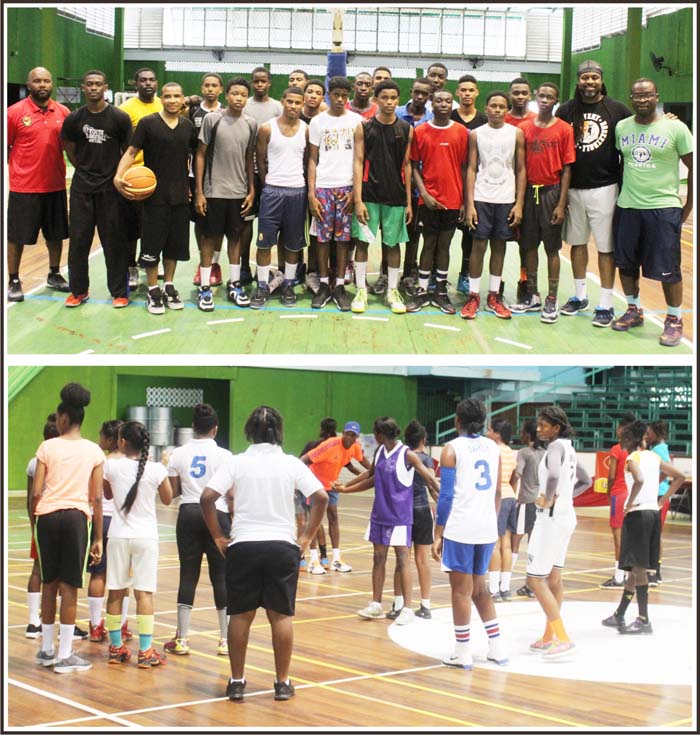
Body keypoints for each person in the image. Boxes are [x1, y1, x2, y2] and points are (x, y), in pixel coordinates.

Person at [200, 406, 328, 702]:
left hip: (243, 545)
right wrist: (307, 536)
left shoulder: (237, 462)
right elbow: (320, 497)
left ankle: (236, 682)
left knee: (240, 617)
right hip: (282, 546)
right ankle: (282, 683)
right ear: (278, 432)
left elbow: (207, 498)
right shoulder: (291, 463)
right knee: (280, 617)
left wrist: (218, 535)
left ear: (249, 432)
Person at [611, 78, 693, 347]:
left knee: (668, 270)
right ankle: (633, 310)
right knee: (626, 264)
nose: (642, 100)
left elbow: (693, 167)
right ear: (631, 98)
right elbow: (620, 165)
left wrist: (688, 206)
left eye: (647, 95)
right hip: (628, 207)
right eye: (637, 96)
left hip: (663, 208)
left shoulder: (676, 127)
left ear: (656, 96)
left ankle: (674, 319)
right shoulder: (622, 127)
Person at [335, 417, 439, 625]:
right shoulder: (380, 452)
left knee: (403, 560)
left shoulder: (407, 454)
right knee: (378, 559)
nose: (373, 436)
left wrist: (446, 501)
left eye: (374, 433)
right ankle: (376, 604)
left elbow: (429, 479)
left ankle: (407, 609)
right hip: (379, 515)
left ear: (381, 434)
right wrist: (346, 488)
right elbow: (371, 477)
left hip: (400, 516)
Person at [30, 383, 104, 673]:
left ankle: (46, 649)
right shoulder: (94, 451)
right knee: (69, 586)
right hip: (75, 518)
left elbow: (36, 491)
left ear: (62, 418)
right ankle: (64, 655)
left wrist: (38, 521)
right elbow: (96, 497)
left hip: (47, 517)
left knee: (49, 583)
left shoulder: (47, 447)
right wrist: (98, 536)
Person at [431, 398, 508, 670]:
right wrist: (490, 521)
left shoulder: (451, 449)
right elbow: (498, 493)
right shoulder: (492, 447)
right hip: (486, 528)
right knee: (481, 590)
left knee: (461, 593)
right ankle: (497, 648)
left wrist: (438, 532)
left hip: (461, 528)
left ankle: (462, 653)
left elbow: (446, 495)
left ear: (457, 420)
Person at [555, 61, 633, 327]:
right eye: (585, 78)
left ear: (601, 80)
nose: (590, 82)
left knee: (605, 247)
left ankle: (606, 303)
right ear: (578, 81)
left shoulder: (618, 109)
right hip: (574, 188)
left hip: (606, 187)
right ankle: (579, 296)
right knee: (577, 244)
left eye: (594, 77)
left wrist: (665, 118)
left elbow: (637, 131)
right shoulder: (565, 110)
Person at [114, 82, 198, 315]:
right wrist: (118, 176)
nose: (172, 100)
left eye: (176, 96)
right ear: (162, 98)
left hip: (180, 197)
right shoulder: (148, 123)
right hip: (153, 198)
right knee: (152, 247)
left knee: (174, 248)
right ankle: (153, 289)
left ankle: (168, 285)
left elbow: (195, 157)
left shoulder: (188, 126)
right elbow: (131, 152)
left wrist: (194, 188)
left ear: (183, 99)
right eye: (168, 96)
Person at [601, 419, 684, 634]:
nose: (621, 443)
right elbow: (680, 477)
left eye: (623, 439)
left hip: (638, 514)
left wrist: (629, 503)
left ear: (631, 439)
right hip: (653, 513)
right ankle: (620, 613)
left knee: (637, 569)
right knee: (634, 567)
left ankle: (644, 619)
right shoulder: (654, 456)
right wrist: (662, 500)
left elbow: (638, 479)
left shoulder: (632, 457)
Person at [164, 404, 232, 656]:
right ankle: (225, 640)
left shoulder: (178, 454)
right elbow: (231, 493)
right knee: (221, 577)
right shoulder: (226, 456)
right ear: (215, 429)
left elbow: (174, 493)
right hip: (218, 513)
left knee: (188, 575)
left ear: (193, 427)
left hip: (189, 513)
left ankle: (182, 639)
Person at [103, 421, 173, 668]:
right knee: (144, 593)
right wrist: (161, 469)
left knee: (116, 591)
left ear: (122, 442)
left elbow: (108, 495)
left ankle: (115, 648)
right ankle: (145, 652)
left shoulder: (110, 466)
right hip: (146, 537)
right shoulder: (155, 469)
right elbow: (167, 499)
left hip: (118, 535)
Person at [60, 70, 132, 309]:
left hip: (110, 190)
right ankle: (79, 291)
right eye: (89, 84)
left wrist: (116, 175)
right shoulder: (74, 118)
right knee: (79, 241)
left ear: (105, 87)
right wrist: (83, 168)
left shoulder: (119, 118)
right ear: (83, 88)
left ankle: (119, 292)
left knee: (114, 242)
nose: (93, 88)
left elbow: (128, 151)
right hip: (82, 189)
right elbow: (69, 147)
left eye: (98, 84)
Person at [526, 406, 591, 658]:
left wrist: (550, 498)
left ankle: (562, 637)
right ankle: (549, 636)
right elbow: (585, 480)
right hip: (566, 517)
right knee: (554, 579)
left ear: (557, 427)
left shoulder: (554, 448)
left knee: (534, 580)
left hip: (550, 520)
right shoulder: (570, 448)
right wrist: (565, 499)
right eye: (538, 424)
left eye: (544, 425)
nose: (539, 428)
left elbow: (553, 474)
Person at [510, 83, 575, 323]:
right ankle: (533, 295)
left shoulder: (564, 129)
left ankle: (551, 299)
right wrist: (518, 200)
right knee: (528, 246)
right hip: (528, 194)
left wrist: (561, 202)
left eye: (550, 97)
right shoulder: (524, 128)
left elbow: (567, 168)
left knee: (551, 249)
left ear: (556, 101)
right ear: (536, 98)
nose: (545, 100)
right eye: (542, 96)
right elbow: (521, 167)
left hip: (551, 192)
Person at [7, 66, 71, 302]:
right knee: (16, 236)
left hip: (55, 184)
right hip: (24, 187)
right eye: (37, 81)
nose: (42, 85)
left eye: (46, 81)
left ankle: (54, 274)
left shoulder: (62, 111)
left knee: (55, 234)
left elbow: (70, 147)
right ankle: (14, 279)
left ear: (51, 83)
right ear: (29, 84)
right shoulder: (14, 113)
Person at [460, 90, 526, 321]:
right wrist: (469, 204)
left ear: (507, 110)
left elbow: (520, 169)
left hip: (506, 199)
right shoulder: (476, 134)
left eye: (501, 106)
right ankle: (474, 295)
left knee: (500, 247)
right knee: (478, 245)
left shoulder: (516, 134)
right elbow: (470, 168)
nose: (497, 110)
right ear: (486, 108)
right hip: (481, 196)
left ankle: (494, 296)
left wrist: (519, 203)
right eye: (493, 106)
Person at [194, 77, 256, 311]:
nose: (238, 98)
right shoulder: (212, 120)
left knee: (235, 238)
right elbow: (200, 154)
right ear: (226, 95)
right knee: (209, 238)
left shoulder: (251, 123)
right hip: (214, 191)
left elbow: (249, 159)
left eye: (243, 95)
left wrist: (251, 190)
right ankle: (205, 287)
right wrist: (200, 191)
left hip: (238, 192)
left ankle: (235, 283)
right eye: (234, 94)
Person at [352, 80, 413, 315]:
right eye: (384, 98)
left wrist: (408, 202)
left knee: (393, 244)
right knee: (363, 242)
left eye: (393, 98)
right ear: (376, 100)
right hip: (368, 195)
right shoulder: (364, 127)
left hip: (395, 197)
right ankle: (360, 289)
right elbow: (357, 162)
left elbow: (407, 166)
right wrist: (357, 200)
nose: (389, 102)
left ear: (398, 100)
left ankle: (392, 290)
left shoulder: (407, 129)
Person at [406, 89, 468, 315]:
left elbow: (464, 168)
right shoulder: (420, 131)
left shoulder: (461, 132)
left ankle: (441, 291)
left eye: (448, 100)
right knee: (428, 244)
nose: (443, 104)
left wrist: (463, 202)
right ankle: (422, 291)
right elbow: (413, 166)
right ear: (432, 104)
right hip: (428, 201)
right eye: (439, 100)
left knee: (445, 246)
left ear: (453, 104)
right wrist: (423, 194)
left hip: (452, 201)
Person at [307, 76, 363, 311]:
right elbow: (312, 159)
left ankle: (339, 285)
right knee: (321, 238)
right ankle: (322, 284)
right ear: (328, 95)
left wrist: (356, 193)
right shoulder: (318, 122)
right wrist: (311, 193)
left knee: (342, 239)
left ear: (348, 96)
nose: (340, 99)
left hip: (347, 188)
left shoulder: (357, 121)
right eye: (336, 95)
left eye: (344, 96)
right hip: (323, 188)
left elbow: (359, 160)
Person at [251, 86, 308, 309]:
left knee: (293, 244)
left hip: (298, 192)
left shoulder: (306, 129)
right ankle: (262, 285)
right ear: (282, 101)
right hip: (272, 191)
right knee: (264, 242)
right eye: (290, 101)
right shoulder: (266, 129)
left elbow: (307, 162)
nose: (293, 106)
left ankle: (288, 284)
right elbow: (260, 161)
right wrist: (267, 186)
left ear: (302, 104)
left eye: (298, 102)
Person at [301, 421, 370, 574]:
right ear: (343, 433)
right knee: (315, 521)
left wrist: (377, 472)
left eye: (353, 436)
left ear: (356, 438)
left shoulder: (355, 447)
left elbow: (364, 463)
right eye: (347, 434)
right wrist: (303, 483)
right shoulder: (329, 445)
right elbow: (304, 460)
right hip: (314, 485)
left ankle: (336, 560)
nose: (349, 438)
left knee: (334, 517)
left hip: (332, 485)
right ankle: (313, 561)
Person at [385, 420, 438, 620]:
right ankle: (425, 605)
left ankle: (398, 604)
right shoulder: (426, 460)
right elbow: (432, 486)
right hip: (423, 510)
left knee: (402, 559)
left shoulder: (402, 457)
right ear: (424, 440)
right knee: (422, 560)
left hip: (403, 512)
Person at [86, 419, 133, 643]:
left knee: (98, 574)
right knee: (123, 577)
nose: (98, 438)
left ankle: (95, 626)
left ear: (110, 438)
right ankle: (121, 625)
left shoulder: (100, 462)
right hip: (122, 524)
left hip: (101, 521)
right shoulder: (132, 463)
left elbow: (96, 496)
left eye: (101, 434)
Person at [118, 68, 163, 290]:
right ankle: (130, 267)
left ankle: (151, 262)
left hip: (158, 176)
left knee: (154, 226)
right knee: (131, 228)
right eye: (143, 80)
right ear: (135, 83)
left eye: (151, 79)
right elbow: (124, 147)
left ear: (157, 83)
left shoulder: (165, 105)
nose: (147, 83)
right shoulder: (125, 110)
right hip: (135, 177)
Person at [240, 67, 284, 286]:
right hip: (247, 173)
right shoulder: (244, 105)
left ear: (269, 83)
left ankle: (270, 269)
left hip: (273, 175)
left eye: (263, 81)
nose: (259, 85)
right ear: (251, 83)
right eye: (256, 81)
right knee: (246, 222)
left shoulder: (278, 107)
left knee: (270, 225)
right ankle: (244, 266)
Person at [451, 74, 489, 296]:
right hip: (450, 183)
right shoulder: (450, 116)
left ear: (477, 93)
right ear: (458, 92)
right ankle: (438, 277)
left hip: (475, 185)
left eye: (470, 90)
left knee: (470, 234)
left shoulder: (484, 120)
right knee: (443, 235)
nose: (466, 93)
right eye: (463, 90)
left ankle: (465, 276)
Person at [395, 77, 434, 292]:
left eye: (425, 94)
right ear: (411, 91)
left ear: (429, 96)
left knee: (414, 233)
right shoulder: (397, 114)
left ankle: (409, 272)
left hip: (420, 185)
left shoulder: (431, 118)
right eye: (417, 92)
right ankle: (386, 272)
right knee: (391, 232)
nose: (420, 96)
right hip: (395, 184)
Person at [25, 414, 60, 638]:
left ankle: (32, 622)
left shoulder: (34, 461)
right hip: (65, 517)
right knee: (64, 575)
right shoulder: (63, 457)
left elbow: (31, 496)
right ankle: (63, 626)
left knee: (38, 568)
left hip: (42, 519)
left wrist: (32, 523)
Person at [191, 73, 225, 290]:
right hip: (197, 174)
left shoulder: (226, 112)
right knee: (199, 222)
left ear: (221, 89)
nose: (211, 89)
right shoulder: (193, 111)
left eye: (215, 85)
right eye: (207, 85)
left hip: (222, 176)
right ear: (202, 88)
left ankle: (214, 263)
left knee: (217, 224)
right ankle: (202, 261)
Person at [504, 77, 537, 303]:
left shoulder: (537, 120)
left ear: (530, 95)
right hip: (501, 188)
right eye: (516, 92)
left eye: (524, 93)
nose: (519, 96)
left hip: (528, 189)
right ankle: (496, 284)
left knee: (526, 241)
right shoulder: (500, 117)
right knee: (496, 239)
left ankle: (526, 282)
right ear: (510, 94)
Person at [599, 413, 636, 588]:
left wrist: (608, 492)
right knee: (631, 537)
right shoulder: (636, 450)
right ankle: (630, 575)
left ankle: (618, 576)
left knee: (618, 537)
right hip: (633, 495)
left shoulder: (617, 449)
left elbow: (611, 476)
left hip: (618, 494)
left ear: (622, 429)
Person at [297, 418, 337, 571]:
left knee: (307, 523)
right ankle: (324, 556)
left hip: (312, 488)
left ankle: (311, 557)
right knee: (317, 523)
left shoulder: (315, 446)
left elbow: (300, 462)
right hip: (325, 488)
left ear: (321, 429)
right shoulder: (334, 446)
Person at [511, 420, 545, 598]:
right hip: (540, 503)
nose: (521, 435)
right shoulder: (545, 453)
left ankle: (503, 583)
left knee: (513, 544)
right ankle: (531, 585)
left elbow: (517, 474)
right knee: (534, 546)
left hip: (526, 502)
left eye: (523, 431)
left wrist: (513, 493)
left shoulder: (524, 453)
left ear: (528, 434)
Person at [486, 420, 518, 601]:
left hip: (497, 498)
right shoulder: (510, 452)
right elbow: (513, 475)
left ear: (497, 433)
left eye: (490, 430)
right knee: (506, 544)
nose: (487, 432)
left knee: (494, 544)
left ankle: (493, 589)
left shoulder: (493, 451)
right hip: (510, 496)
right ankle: (505, 587)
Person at [645, 420, 671, 586]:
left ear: (657, 432)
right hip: (658, 494)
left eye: (649, 433)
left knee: (654, 534)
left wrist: (654, 482)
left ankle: (655, 571)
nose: (647, 435)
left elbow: (666, 471)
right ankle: (655, 570)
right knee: (654, 534)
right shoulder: (661, 447)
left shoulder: (658, 450)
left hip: (658, 495)